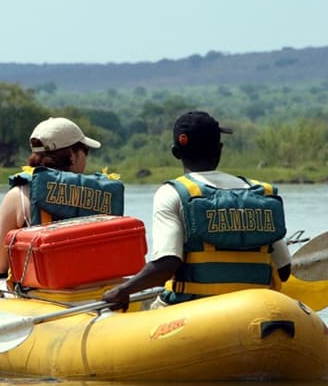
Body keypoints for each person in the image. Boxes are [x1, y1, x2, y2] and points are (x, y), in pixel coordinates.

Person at [103, 111, 291, 309]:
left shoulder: (172, 193)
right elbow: (284, 270)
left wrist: (122, 291)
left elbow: (166, 265)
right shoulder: (262, 194)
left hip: (193, 311)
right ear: (219, 149)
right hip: (256, 307)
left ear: (176, 152)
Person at [0, 117, 124, 275]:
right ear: (73, 155)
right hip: (100, 287)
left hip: (46, 290)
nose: (86, 157)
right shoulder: (103, 191)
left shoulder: (18, 195)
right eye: (85, 151)